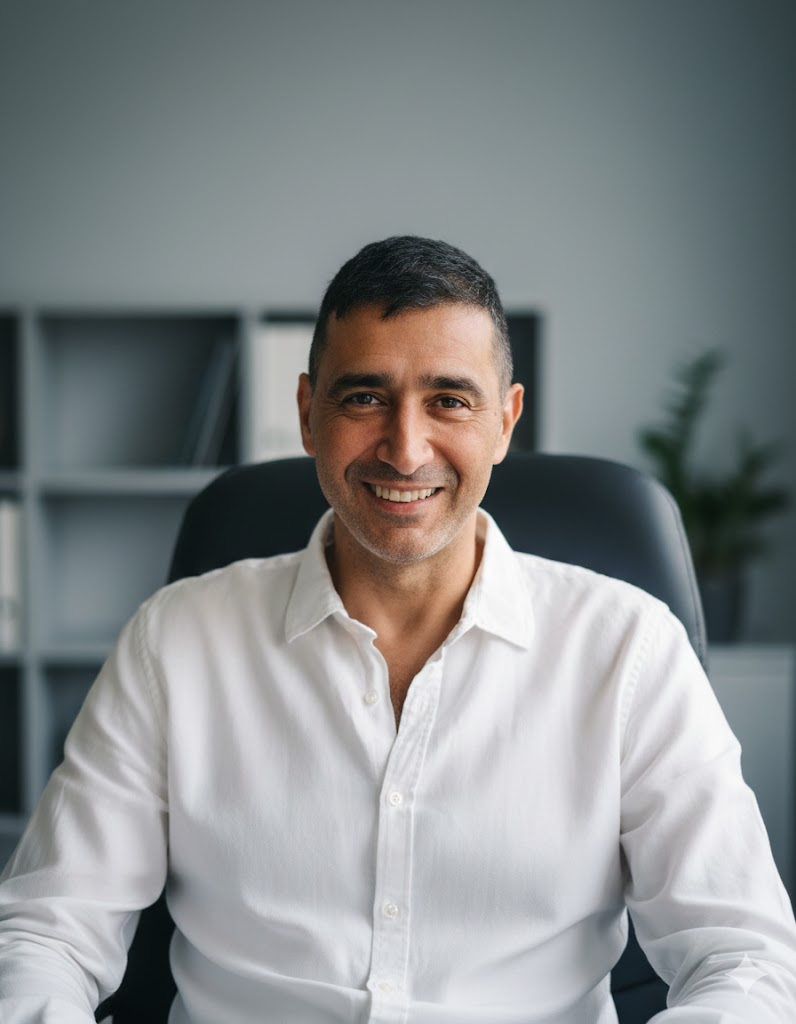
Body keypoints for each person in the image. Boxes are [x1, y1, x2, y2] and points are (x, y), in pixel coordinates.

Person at [1, 235, 795, 1023]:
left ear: (505, 421)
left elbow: (744, 958)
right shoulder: (174, 642)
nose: (405, 449)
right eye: (364, 397)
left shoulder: (629, 651)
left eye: (449, 399)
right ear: (309, 413)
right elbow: (47, 933)